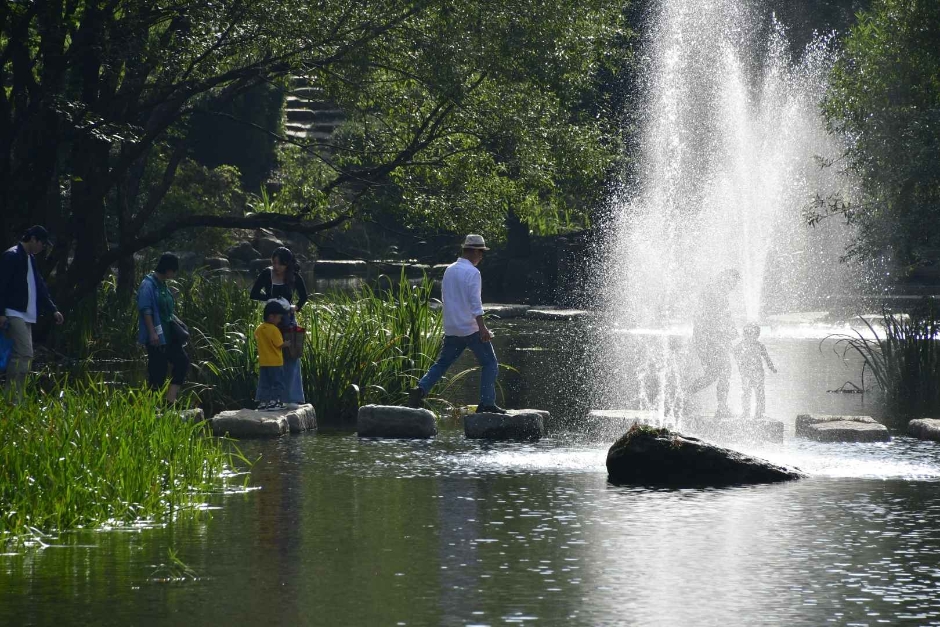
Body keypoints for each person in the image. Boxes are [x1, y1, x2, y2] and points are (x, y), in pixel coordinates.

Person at [408, 234, 507, 414]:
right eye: (481, 252)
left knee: (443, 363)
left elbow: (447, 298)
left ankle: (421, 389)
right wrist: (482, 328)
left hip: (452, 328)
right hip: (470, 328)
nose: (482, 256)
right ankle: (486, 404)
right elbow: (475, 303)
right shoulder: (473, 273)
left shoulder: (450, 269)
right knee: (490, 364)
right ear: (475, 251)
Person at [0, 225, 64, 402]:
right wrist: (1, 313)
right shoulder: (12, 256)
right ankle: (11, 399)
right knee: (24, 353)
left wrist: (53, 310)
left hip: (25, 314)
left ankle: (15, 398)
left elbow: (40, 286)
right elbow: (1, 286)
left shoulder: (30, 259)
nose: (43, 247)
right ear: (33, 239)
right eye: (42, 243)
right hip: (13, 312)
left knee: (23, 356)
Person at [250, 247, 307, 409]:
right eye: (274, 263)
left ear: (287, 264)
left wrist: (294, 307)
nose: (276, 267)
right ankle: (267, 398)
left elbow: (304, 297)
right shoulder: (266, 274)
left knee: (290, 357)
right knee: (270, 358)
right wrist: (271, 299)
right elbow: (253, 293)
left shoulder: (294, 276)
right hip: (272, 320)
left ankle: (291, 398)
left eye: (279, 264)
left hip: (288, 320)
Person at [686, 269, 740, 416]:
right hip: (711, 341)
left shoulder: (716, 293)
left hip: (710, 340)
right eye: (732, 282)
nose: (733, 287)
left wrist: (729, 332)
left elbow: (721, 319)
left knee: (713, 374)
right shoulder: (715, 293)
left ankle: (686, 396)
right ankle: (721, 407)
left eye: (735, 283)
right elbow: (711, 319)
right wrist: (722, 335)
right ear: (725, 279)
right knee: (723, 371)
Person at [137, 253, 189, 404]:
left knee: (182, 362)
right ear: (167, 269)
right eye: (174, 270)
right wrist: (152, 332)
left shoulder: (163, 284)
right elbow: (145, 309)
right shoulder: (148, 284)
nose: (174, 273)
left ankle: (170, 400)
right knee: (157, 372)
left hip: (169, 335)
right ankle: (152, 406)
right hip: (157, 338)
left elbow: (168, 310)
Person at [732, 322, 777, 419]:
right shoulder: (741, 346)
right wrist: (740, 364)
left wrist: (771, 367)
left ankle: (759, 412)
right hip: (747, 373)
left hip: (757, 373)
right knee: (747, 392)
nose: (753, 337)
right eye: (749, 334)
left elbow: (767, 358)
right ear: (745, 335)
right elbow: (734, 353)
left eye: (755, 334)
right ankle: (746, 412)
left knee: (758, 393)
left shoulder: (759, 345)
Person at [255, 299, 288, 411]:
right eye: (278, 318)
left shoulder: (259, 329)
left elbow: (257, 337)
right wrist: (287, 343)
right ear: (271, 317)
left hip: (264, 362)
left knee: (264, 383)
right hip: (275, 362)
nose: (279, 320)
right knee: (277, 383)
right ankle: (275, 402)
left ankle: (263, 403)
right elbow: (279, 345)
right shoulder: (274, 330)